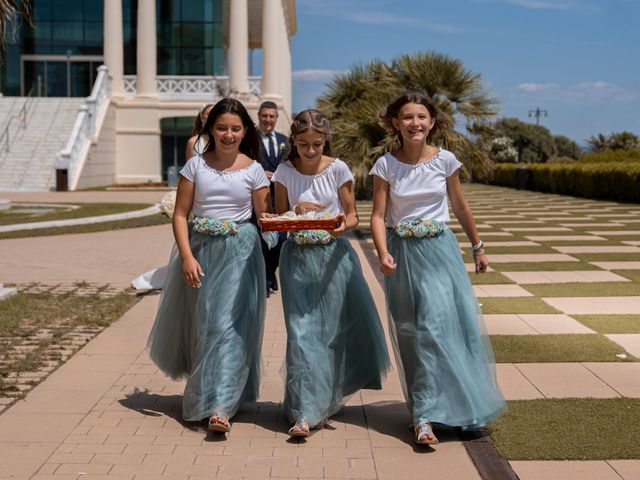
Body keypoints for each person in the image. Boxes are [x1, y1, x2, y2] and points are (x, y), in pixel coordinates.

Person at [369, 92, 506, 445]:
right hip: (402, 254)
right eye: (407, 117)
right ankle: (424, 413)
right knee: (413, 332)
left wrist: (478, 247)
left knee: (441, 328)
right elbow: (379, 215)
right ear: (396, 123)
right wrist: (382, 252)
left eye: (421, 117)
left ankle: (450, 411)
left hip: (440, 252)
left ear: (432, 122)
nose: (415, 123)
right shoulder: (386, 165)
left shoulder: (445, 160)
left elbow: (459, 205)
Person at [146, 98, 272, 435]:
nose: (228, 134)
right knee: (206, 326)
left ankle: (219, 406)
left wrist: (298, 220)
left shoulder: (254, 169)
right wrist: (186, 256)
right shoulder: (196, 167)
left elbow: (264, 218)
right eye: (221, 128)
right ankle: (211, 394)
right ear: (210, 130)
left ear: (245, 131)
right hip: (201, 251)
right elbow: (180, 214)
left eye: (235, 128)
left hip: (241, 254)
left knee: (227, 325)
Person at [272, 109, 390, 437]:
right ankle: (303, 411)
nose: (310, 151)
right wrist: (294, 212)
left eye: (317, 144)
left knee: (328, 333)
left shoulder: (338, 169)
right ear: (293, 142)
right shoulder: (284, 171)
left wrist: (339, 227)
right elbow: (280, 217)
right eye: (303, 144)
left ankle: (317, 405)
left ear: (326, 141)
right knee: (301, 334)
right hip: (296, 258)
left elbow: (352, 216)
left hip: (333, 259)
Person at [257, 101, 289, 295]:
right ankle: (266, 279)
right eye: (264, 115)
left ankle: (270, 273)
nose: (268, 119)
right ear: (259, 116)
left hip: (280, 196)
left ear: (276, 118)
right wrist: (262, 174)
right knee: (262, 238)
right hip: (258, 196)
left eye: (271, 116)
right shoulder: (248, 138)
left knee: (282, 238)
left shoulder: (284, 139)